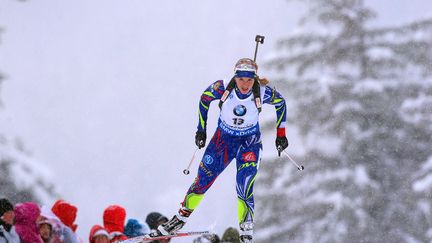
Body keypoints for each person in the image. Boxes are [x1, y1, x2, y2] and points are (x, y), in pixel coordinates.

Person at [149, 58, 288, 243]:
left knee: (244, 186)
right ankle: (178, 220)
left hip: (249, 143)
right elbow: (204, 99)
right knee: (201, 182)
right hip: (222, 141)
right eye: (241, 79)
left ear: (254, 79)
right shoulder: (221, 88)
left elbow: (281, 103)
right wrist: (201, 129)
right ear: (235, 77)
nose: (245, 84)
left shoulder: (262, 92)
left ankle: (246, 230)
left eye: (249, 80)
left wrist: (281, 135)